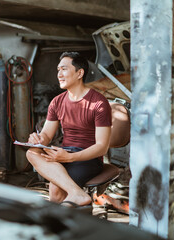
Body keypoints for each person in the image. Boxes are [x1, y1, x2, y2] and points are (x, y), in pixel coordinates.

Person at [26, 52, 112, 207]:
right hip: (64, 153)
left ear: (80, 73)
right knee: (32, 152)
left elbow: (101, 147)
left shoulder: (99, 103)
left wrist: (71, 158)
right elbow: (46, 134)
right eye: (58, 70)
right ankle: (77, 195)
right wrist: (39, 140)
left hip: (88, 158)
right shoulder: (56, 102)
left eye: (64, 69)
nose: (59, 74)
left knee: (56, 190)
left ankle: (59, 222)